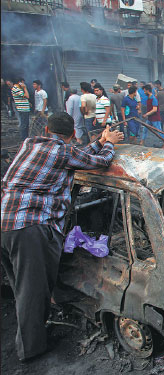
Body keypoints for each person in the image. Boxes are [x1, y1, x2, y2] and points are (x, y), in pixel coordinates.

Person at [1, 112, 123, 362]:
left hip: (6, 221)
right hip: (29, 228)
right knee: (32, 292)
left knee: (20, 283)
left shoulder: (29, 144)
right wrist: (109, 143)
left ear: (46, 130)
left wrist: (99, 142)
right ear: (73, 135)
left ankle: (29, 326)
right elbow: (100, 162)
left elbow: (75, 156)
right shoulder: (64, 153)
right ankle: (32, 350)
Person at [140, 84, 164, 148]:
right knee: (145, 130)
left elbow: (154, 109)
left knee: (159, 132)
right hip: (150, 119)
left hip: (155, 119)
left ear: (148, 90)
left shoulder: (153, 98)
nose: (144, 92)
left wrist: (146, 114)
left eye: (145, 91)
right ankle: (142, 142)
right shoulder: (148, 98)